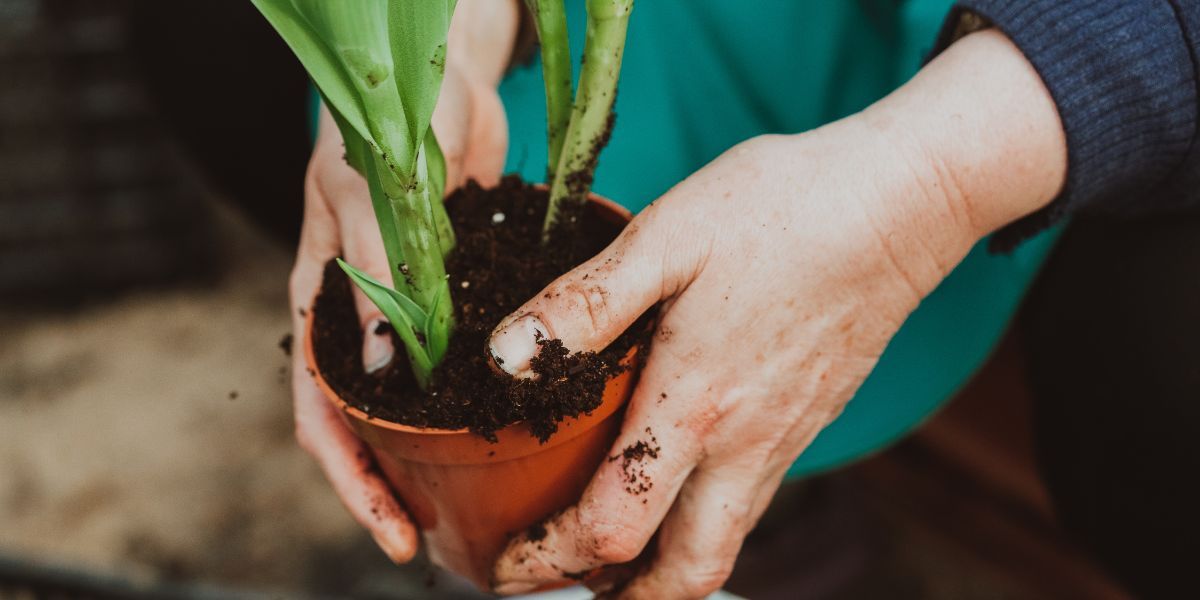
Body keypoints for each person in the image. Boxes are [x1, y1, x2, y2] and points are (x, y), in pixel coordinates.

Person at [284, 1, 1200, 597]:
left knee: (1168, 370)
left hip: (1024, 60)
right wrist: (445, 28)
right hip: (683, 36)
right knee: (220, 49)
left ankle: (754, 497)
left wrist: (927, 188)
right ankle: (719, 509)